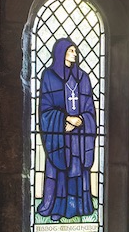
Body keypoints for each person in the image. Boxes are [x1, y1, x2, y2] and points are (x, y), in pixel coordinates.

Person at [37, 39, 96, 218]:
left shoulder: (83, 77)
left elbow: (90, 108)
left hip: (79, 135)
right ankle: (57, 207)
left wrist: (82, 119)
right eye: (70, 50)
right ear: (61, 52)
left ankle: (80, 206)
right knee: (60, 164)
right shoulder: (48, 76)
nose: (74, 54)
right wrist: (64, 120)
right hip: (60, 135)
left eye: (75, 50)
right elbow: (45, 109)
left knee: (77, 166)